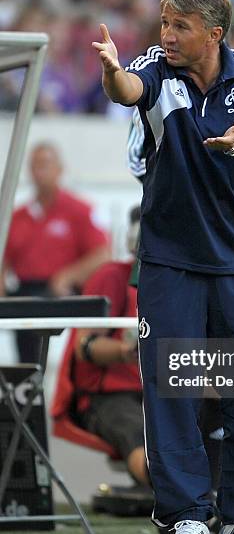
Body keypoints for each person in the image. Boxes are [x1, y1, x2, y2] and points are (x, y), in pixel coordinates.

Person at [92, 0, 234, 534]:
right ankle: (186, 517)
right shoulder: (157, 68)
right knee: (171, 389)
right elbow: (128, 89)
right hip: (169, 262)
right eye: (164, 23)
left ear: (214, 33)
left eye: (180, 26)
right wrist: (110, 70)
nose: (167, 36)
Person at [58, 208, 149, 486]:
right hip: (111, 395)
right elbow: (84, 344)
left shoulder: (182, 285)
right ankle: (168, 487)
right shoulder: (111, 276)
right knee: (133, 429)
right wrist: (127, 351)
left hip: (160, 391)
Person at [1, 142, 110, 362]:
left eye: (45, 165)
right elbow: (5, 261)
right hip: (27, 292)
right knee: (26, 349)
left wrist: (67, 276)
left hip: (63, 292)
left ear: (59, 169)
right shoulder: (19, 216)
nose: (39, 172)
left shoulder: (79, 210)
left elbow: (102, 254)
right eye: (35, 166)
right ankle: (27, 383)